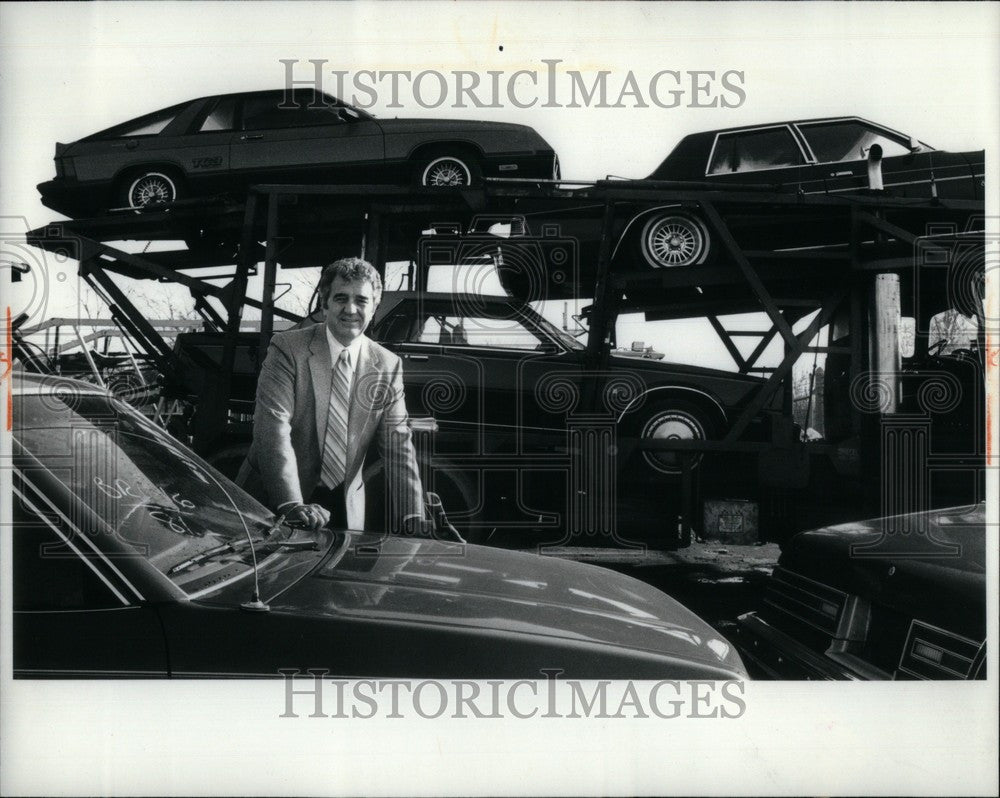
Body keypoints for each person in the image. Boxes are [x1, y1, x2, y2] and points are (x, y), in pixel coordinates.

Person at [237, 257, 425, 533]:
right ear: (324, 305)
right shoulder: (289, 348)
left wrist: (413, 516)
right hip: (273, 503)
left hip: (345, 510)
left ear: (374, 307)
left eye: (361, 300)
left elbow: (399, 445)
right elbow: (272, 429)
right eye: (340, 298)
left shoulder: (387, 365)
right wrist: (291, 504)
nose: (350, 309)